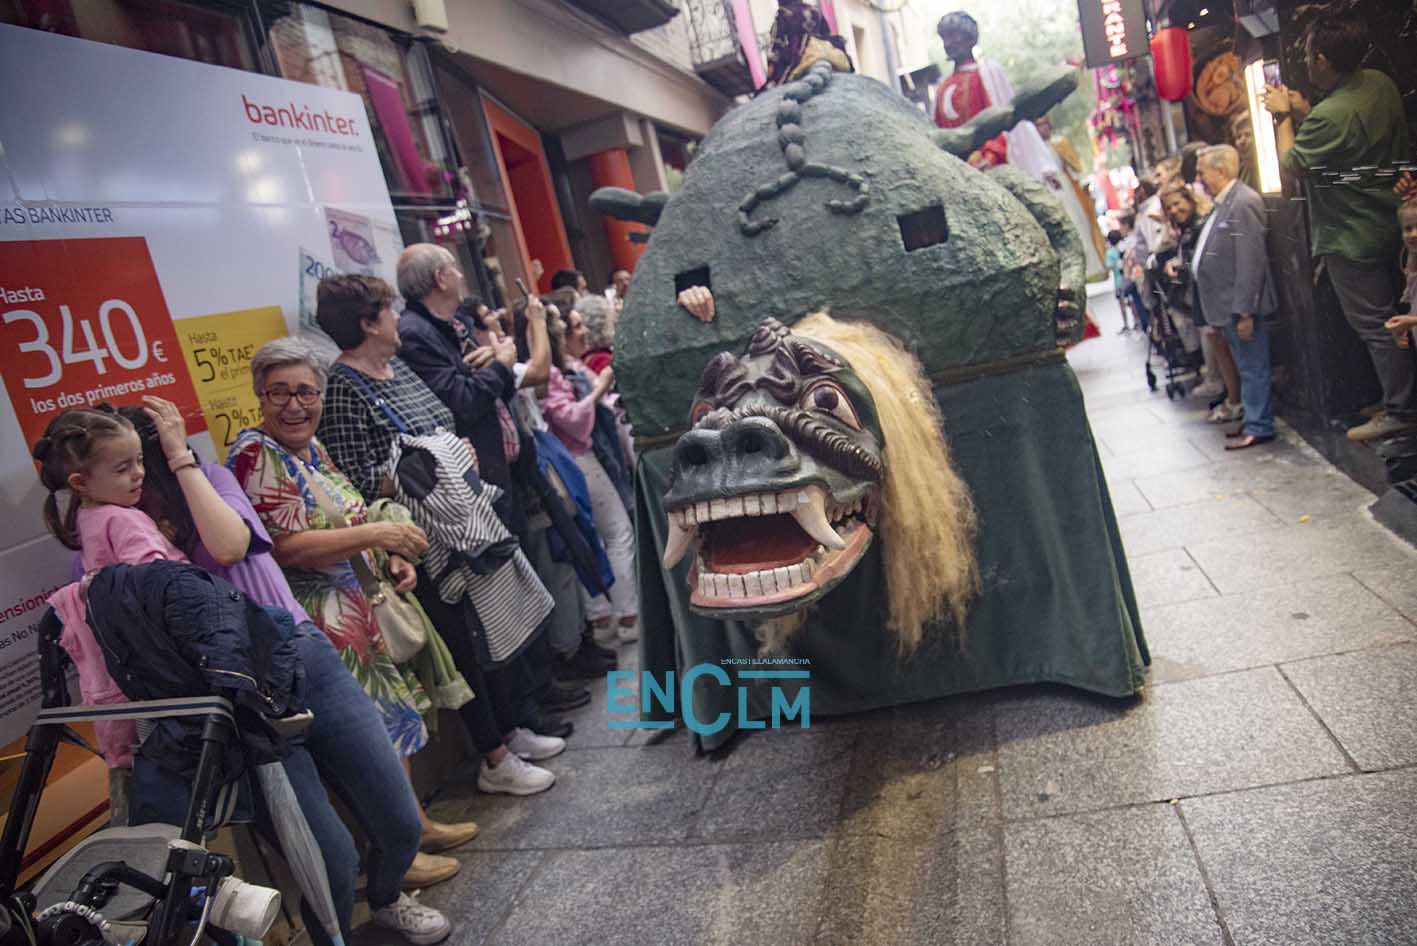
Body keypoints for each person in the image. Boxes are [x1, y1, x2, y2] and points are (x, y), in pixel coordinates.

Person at [34, 405, 453, 945]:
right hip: (240, 699)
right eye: (124, 465)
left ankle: (388, 894)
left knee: (399, 819)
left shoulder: (208, 479)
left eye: (143, 460)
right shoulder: (105, 540)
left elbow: (229, 546)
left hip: (298, 653)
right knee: (327, 855)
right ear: (85, 479)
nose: (138, 474)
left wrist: (183, 463)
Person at [308, 276, 565, 793]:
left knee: (492, 626)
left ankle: (511, 729)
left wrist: (451, 454)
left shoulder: (399, 368)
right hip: (420, 542)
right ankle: (494, 757)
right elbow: (352, 478)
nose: (397, 318)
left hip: (466, 521)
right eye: (388, 310)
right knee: (460, 644)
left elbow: (443, 425)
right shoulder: (343, 390)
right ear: (367, 323)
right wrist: (428, 468)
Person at [394, 246, 590, 723]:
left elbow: (491, 386)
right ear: (440, 278)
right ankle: (526, 708)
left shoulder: (451, 325)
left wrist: (496, 364)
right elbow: (464, 400)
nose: (462, 274)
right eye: (454, 267)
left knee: (526, 582)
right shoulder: (417, 334)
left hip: (504, 471)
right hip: (474, 484)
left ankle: (541, 687)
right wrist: (501, 362)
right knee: (500, 599)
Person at [1266, 13, 1412, 442]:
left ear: (1323, 60)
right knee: (1395, 315)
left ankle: (1401, 410)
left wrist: (1282, 117)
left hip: (1350, 234)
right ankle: (1395, 399)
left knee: (1378, 326)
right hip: (1389, 219)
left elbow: (1292, 165)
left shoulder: (1330, 115)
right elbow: (1347, 138)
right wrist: (1306, 111)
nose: (1305, 62)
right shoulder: (1379, 84)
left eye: (1308, 55)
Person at [539, 305, 639, 644]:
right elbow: (573, 418)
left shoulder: (564, 367)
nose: (583, 332)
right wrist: (601, 387)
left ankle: (602, 616)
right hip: (578, 460)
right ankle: (627, 614)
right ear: (557, 333)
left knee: (588, 538)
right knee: (617, 534)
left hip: (577, 460)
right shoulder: (552, 374)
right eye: (574, 326)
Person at [1191, 145, 1277, 449]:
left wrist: (1244, 311)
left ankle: (1259, 425)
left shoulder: (1243, 202)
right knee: (1247, 365)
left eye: (1202, 172)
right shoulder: (1225, 203)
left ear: (1221, 170)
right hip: (1226, 305)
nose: (1199, 179)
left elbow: (1250, 261)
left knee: (1253, 367)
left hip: (1239, 306)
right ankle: (1254, 419)